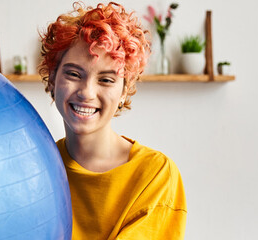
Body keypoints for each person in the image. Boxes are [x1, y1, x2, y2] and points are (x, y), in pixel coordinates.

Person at [38, 2, 187, 239]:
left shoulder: (155, 174)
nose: (87, 92)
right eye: (74, 74)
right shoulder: (37, 167)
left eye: (106, 80)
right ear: (53, 79)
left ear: (124, 92)